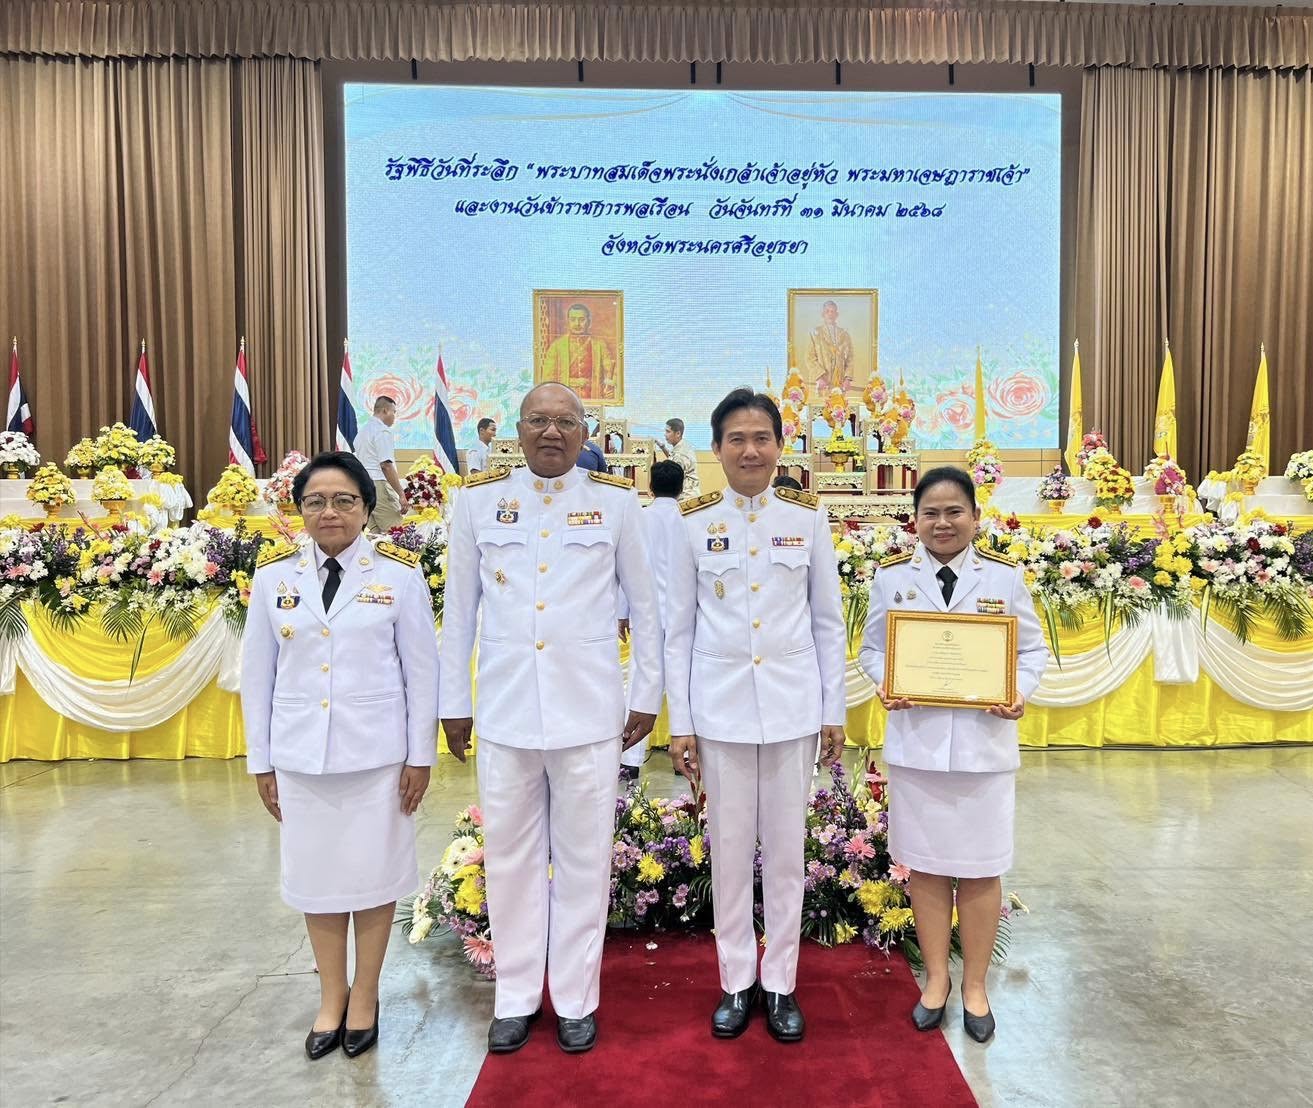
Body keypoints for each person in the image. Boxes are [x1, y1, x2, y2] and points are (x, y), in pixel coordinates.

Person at [439, 382, 662, 1055]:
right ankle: (513, 996)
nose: (550, 432)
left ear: (583, 431)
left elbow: (646, 608)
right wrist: (455, 704)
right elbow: (460, 614)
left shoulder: (616, 506)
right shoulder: (478, 504)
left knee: (585, 861)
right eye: (538, 419)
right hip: (506, 712)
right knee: (507, 859)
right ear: (518, 427)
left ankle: (574, 998)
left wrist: (645, 694)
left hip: (589, 711)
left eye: (565, 422)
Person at [241, 451, 439, 1061]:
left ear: (364, 507)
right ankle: (331, 998)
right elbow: (258, 675)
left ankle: (366, 996)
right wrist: (261, 761)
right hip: (301, 758)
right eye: (316, 502)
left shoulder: (400, 576)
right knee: (318, 882)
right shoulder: (275, 578)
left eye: (344, 500)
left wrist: (419, 756)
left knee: (374, 878)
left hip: (378, 758)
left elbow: (421, 674)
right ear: (299, 509)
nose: (330, 512)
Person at [664, 388, 847, 1044]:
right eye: (736, 439)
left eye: (762, 437)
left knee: (787, 857)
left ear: (779, 446)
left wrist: (832, 711)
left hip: (793, 708)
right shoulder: (689, 523)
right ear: (715, 450)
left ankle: (781, 984)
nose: (750, 449)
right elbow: (677, 631)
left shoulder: (807, 519)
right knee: (731, 853)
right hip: (720, 714)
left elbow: (827, 623)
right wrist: (679, 723)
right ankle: (736, 981)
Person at [858, 466, 1048, 1044]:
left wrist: (1015, 693)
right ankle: (937, 980)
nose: (942, 523)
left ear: (974, 518)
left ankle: (976, 986)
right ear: (915, 520)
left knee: (983, 869)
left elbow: (1032, 649)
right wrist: (886, 681)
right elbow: (871, 647)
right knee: (928, 867)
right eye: (930, 513)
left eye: (953, 512)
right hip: (918, 749)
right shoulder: (893, 580)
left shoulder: (1004, 580)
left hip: (983, 750)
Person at [617, 459, 685, 781]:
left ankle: (630, 758)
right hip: (683, 618)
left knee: (643, 682)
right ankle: (683, 754)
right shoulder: (689, 519)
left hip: (647, 615)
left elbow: (625, 570)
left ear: (651, 487)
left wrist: (622, 613)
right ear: (682, 488)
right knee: (684, 685)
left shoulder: (640, 520)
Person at [541, 303, 617, 401]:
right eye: (573, 320)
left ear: (589, 322)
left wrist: (610, 389)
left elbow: (611, 371)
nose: (577, 324)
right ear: (568, 322)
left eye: (581, 320)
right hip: (565, 399)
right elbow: (548, 379)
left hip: (593, 397)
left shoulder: (599, 345)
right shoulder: (556, 346)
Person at [354, 395, 409, 531]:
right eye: (394, 412)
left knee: (376, 537)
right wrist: (401, 494)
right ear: (385, 411)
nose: (394, 417)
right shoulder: (382, 431)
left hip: (363, 486)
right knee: (397, 535)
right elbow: (386, 465)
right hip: (379, 485)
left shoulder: (362, 432)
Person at [805, 299, 854, 394]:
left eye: (832, 311)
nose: (830, 314)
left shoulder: (844, 334)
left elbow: (850, 358)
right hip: (823, 384)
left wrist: (847, 379)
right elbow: (809, 358)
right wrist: (819, 377)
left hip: (840, 385)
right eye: (827, 311)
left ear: (837, 314)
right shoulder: (815, 334)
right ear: (823, 314)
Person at [659, 417, 701, 499]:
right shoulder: (682, 445)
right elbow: (673, 460)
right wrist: (663, 448)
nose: (665, 434)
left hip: (686, 497)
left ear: (678, 433)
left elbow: (674, 474)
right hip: (689, 493)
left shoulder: (681, 453)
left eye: (668, 431)